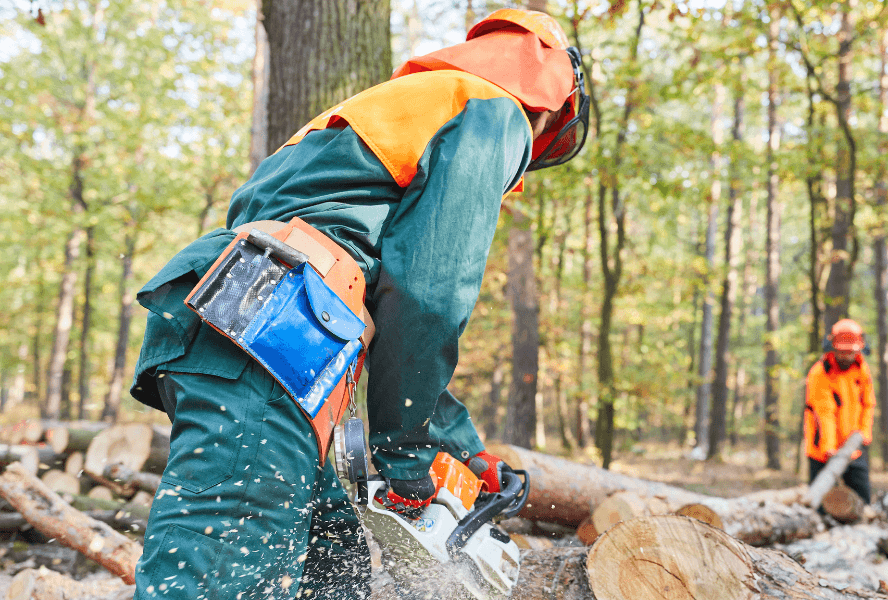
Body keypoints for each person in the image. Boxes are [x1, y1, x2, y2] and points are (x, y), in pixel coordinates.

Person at [127, 9, 589, 599]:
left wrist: (455, 444)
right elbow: (428, 293)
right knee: (222, 562)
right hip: (276, 335)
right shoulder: (492, 110)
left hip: (252, 322)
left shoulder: (407, 106)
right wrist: (407, 459)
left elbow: (394, 306)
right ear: (552, 90)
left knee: (334, 570)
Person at [804, 318, 875, 504]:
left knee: (862, 501)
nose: (846, 356)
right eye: (842, 352)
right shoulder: (820, 373)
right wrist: (829, 448)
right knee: (819, 504)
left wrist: (864, 433)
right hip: (822, 451)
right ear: (832, 347)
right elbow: (824, 412)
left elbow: (868, 404)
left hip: (853, 448)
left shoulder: (862, 369)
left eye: (850, 352)